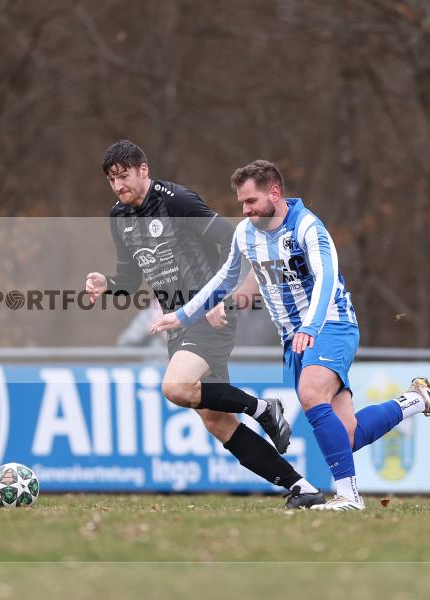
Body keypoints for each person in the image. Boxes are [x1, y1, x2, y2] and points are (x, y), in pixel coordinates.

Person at [151, 159, 430, 510]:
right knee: (347, 435)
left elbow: (327, 279)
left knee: (311, 393)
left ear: (275, 193)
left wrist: (311, 327)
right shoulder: (246, 233)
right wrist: (182, 315)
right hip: (295, 338)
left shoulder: (307, 227)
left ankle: (348, 496)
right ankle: (417, 400)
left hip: (331, 324)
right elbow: (225, 278)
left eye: (251, 201)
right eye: (241, 202)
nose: (245, 209)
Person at [86, 141, 324, 508]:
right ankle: (302, 488)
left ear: (143, 170)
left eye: (125, 176)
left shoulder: (176, 201)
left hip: (206, 315)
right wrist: (108, 283)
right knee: (216, 421)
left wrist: (222, 298)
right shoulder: (119, 218)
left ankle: (263, 409)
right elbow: (130, 281)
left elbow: (235, 242)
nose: (119, 186)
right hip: (177, 324)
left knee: (176, 387)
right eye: (112, 180)